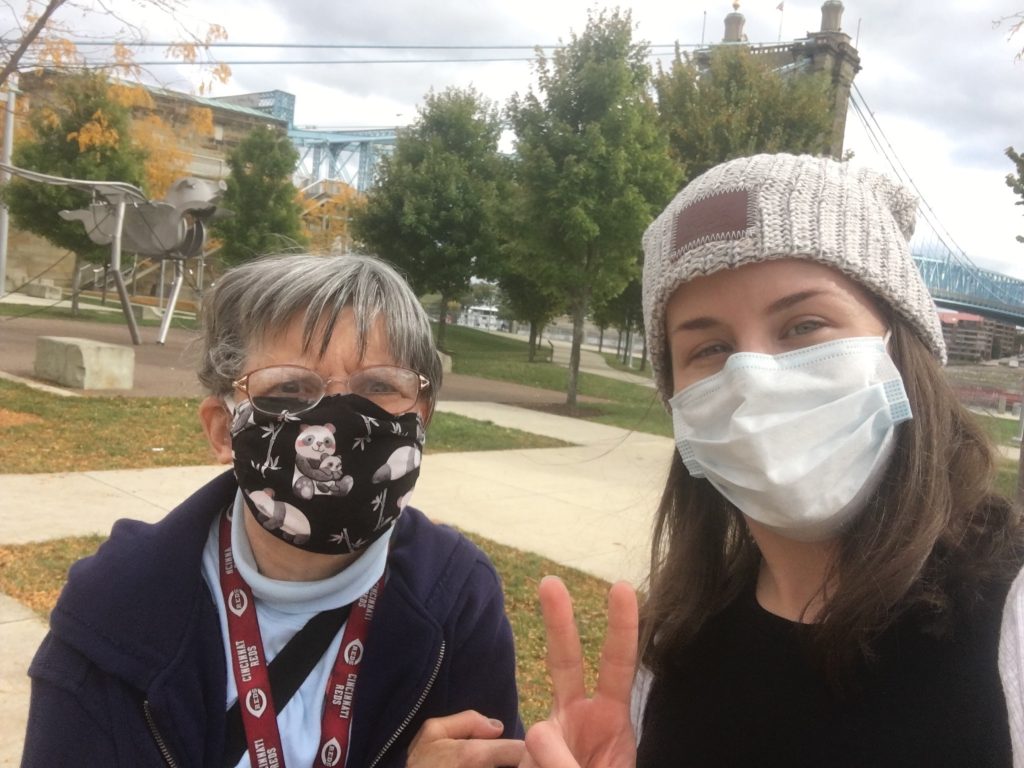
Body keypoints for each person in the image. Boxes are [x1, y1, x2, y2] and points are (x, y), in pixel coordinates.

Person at [521, 153, 1024, 767]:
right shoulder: (675, 647)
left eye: (803, 325)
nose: (751, 378)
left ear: (902, 346)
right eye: (709, 348)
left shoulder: (1009, 619)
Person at [21, 253, 524, 768]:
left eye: (378, 387)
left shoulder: (457, 601)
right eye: (291, 388)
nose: (336, 422)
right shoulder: (115, 612)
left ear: (421, 419)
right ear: (223, 429)